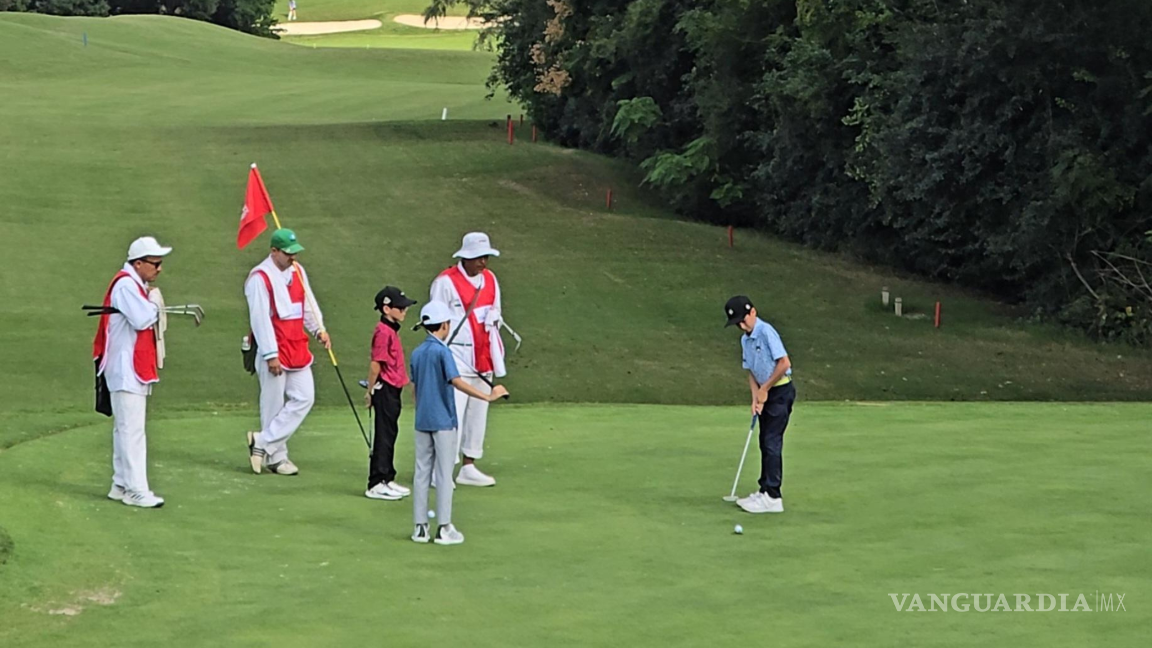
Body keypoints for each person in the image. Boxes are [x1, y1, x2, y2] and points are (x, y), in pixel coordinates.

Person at [408, 302, 509, 545]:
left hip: (422, 420)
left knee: (422, 472)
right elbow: (456, 381)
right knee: (443, 474)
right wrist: (487, 396)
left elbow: (414, 388)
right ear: (444, 325)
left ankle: (420, 528)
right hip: (443, 421)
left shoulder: (417, 352)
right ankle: (444, 528)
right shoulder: (443, 352)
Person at [93, 236, 172, 508]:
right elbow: (142, 319)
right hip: (126, 368)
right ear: (138, 263)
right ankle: (136, 490)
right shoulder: (127, 285)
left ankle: (120, 484)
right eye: (155, 263)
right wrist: (153, 303)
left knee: (125, 429)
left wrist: (150, 300)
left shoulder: (134, 284)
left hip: (129, 367)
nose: (159, 269)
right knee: (131, 431)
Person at [245, 228, 331, 476]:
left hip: (297, 346)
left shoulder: (298, 271)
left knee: (305, 397)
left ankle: (261, 442)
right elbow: (260, 319)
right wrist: (271, 355)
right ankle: (277, 457)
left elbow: (307, 305)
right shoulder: (259, 278)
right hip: (275, 350)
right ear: (274, 251)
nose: (292, 257)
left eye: (294, 253)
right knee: (272, 405)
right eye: (287, 253)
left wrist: (318, 329)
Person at [428, 232, 508, 487]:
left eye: (485, 257)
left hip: (484, 354)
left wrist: (495, 317)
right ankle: (440, 470)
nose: (483, 263)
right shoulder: (445, 282)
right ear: (465, 257)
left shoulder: (491, 280)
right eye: (478, 258)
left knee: (478, 413)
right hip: (456, 355)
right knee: (454, 415)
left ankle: (469, 465)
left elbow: (495, 307)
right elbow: (434, 318)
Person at [725, 295, 796, 514]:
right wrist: (756, 395)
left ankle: (773, 497)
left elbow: (784, 363)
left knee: (771, 442)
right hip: (766, 393)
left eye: (743, 319)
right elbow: (751, 370)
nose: (741, 325)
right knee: (764, 442)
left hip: (780, 391)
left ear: (753, 312)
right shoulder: (745, 340)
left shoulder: (766, 331)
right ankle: (764, 490)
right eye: (737, 322)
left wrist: (765, 389)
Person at [363, 286, 417, 501]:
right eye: (400, 307)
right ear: (386, 308)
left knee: (390, 434)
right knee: (384, 436)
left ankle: (387, 477)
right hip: (384, 389)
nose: (404, 311)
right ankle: (376, 482)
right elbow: (376, 364)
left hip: (392, 390)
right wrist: (369, 391)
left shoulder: (391, 330)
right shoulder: (383, 332)